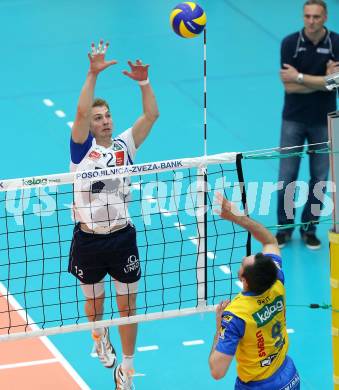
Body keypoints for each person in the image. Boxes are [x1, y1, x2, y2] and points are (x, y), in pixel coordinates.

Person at [68, 40, 159, 390]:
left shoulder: (124, 146)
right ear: (89, 126)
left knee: (128, 305)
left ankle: (128, 370)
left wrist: (144, 83)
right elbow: (78, 114)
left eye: (107, 116)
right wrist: (92, 73)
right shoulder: (80, 152)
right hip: (89, 238)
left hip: (123, 236)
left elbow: (151, 116)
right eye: (98, 118)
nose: (105, 122)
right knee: (95, 301)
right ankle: (98, 334)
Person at [209, 193, 300, 389]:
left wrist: (219, 328)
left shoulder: (236, 315)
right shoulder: (276, 282)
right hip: (289, 376)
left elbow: (217, 371)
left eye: (245, 261)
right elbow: (270, 242)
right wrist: (236, 216)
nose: (251, 255)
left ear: (244, 280)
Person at [277, 0, 339, 249]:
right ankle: (284, 228)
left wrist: (301, 77)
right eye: (307, 16)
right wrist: (323, 79)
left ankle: (309, 228)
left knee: (320, 179)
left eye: (316, 16)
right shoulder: (290, 43)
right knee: (287, 176)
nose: (311, 21)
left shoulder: (336, 43)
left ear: (325, 17)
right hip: (293, 119)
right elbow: (287, 85)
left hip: (325, 121)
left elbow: (334, 84)